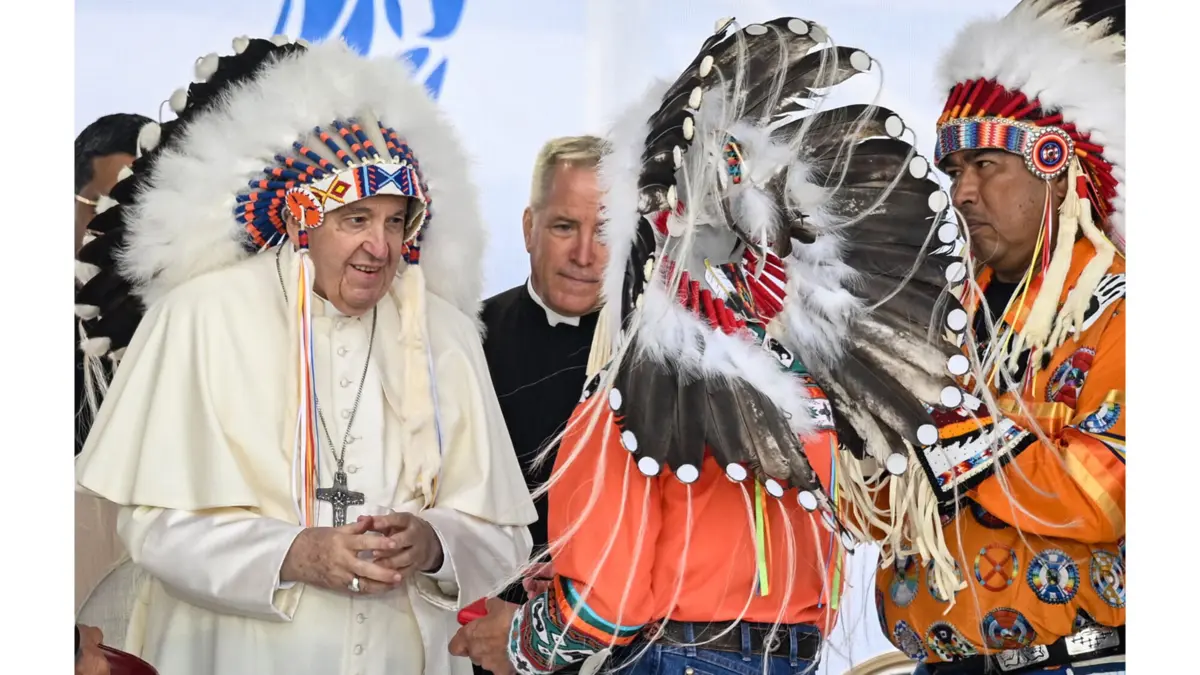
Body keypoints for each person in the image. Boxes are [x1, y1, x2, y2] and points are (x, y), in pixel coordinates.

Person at [451, 16, 972, 675]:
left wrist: (520, 640)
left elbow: (608, 603)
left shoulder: (635, 394)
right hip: (789, 654)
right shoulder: (801, 388)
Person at [73, 35, 537, 675]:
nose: (380, 247)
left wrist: (435, 544)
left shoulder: (445, 334)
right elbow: (153, 527)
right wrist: (295, 554)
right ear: (300, 221)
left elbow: (504, 535)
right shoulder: (201, 316)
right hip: (235, 656)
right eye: (355, 219)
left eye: (395, 222)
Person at [859, 1, 1126, 673]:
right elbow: (873, 515)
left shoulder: (1123, 310)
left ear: (1057, 170)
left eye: (985, 164)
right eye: (955, 171)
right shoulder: (932, 318)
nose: (962, 192)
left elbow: (1106, 492)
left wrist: (946, 427)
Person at [479, 134, 608, 585]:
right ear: (529, 228)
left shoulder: (660, 353)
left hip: (615, 615)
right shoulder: (466, 338)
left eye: (605, 232)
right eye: (564, 227)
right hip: (482, 604)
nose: (584, 256)